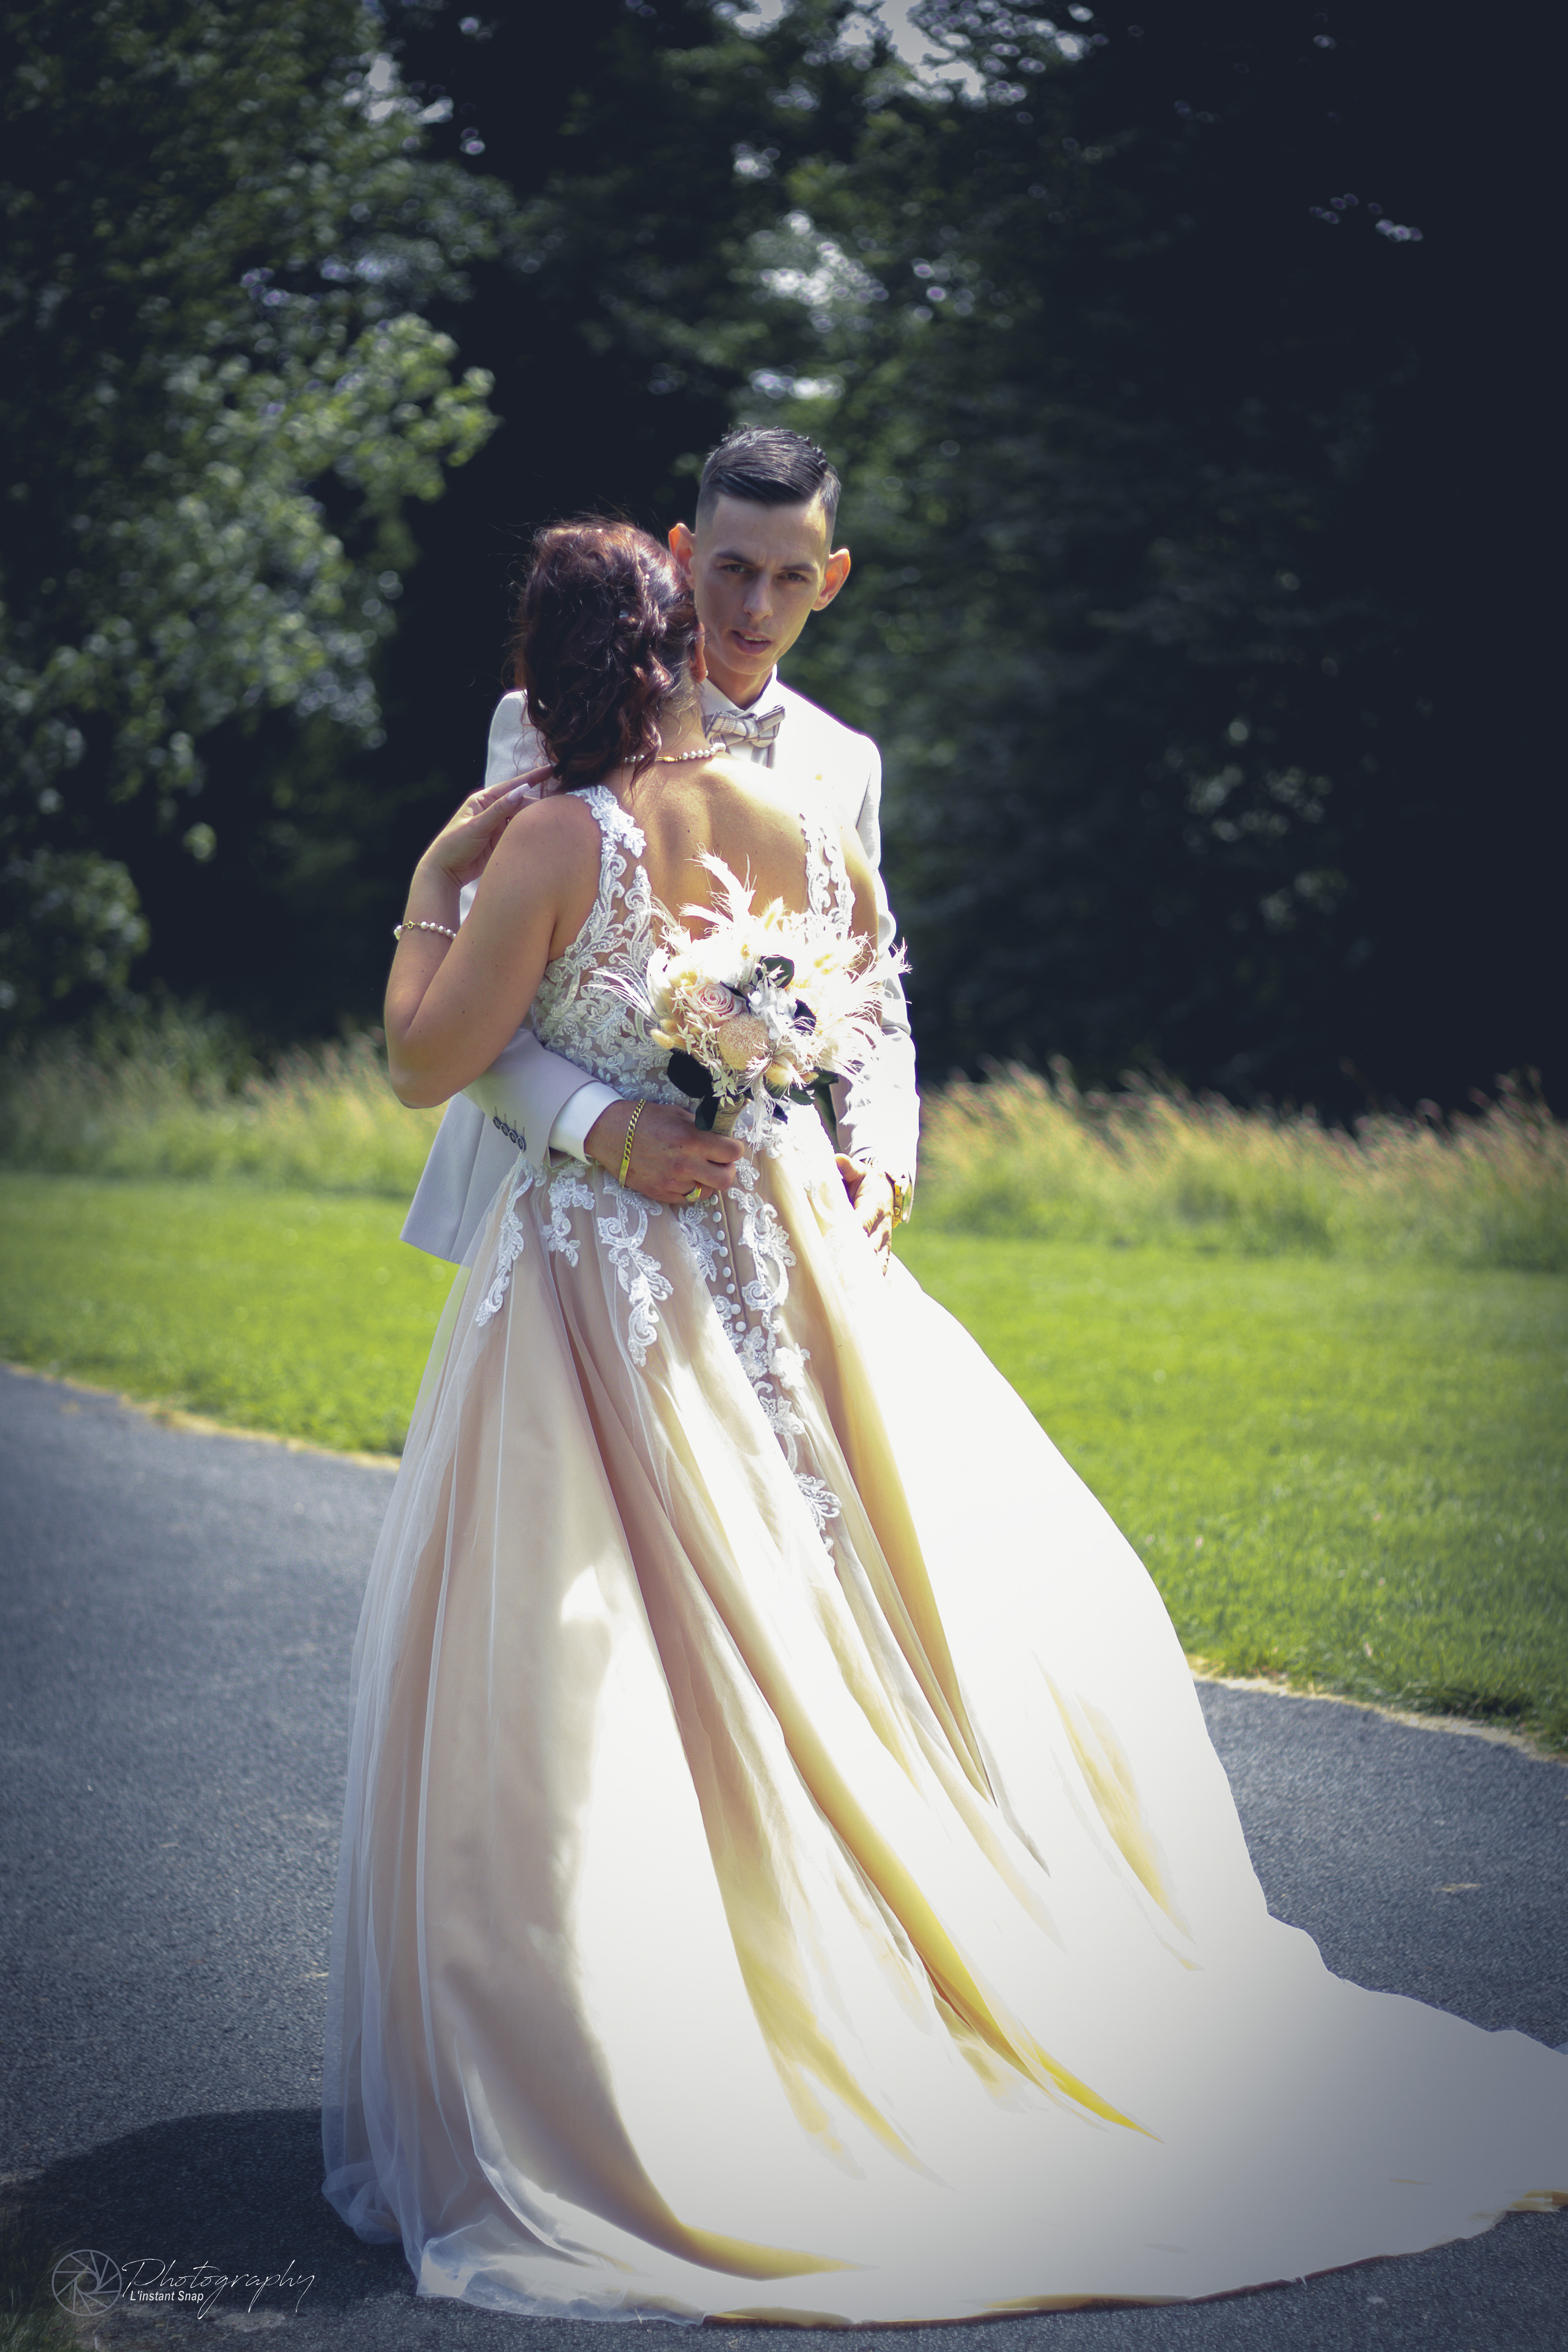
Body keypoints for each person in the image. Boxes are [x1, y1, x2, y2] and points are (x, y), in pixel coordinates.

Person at [323, 520, 1566, 2325]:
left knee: (612, 1653)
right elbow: (855, 1002)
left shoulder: (537, 838)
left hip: (603, 1281)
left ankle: (684, 2013)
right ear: (678, 640)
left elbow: (424, 1058)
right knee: (833, 1594)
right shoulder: (793, 822)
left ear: (545, 668)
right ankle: (881, 1957)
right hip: (781, 1255)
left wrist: (433, 882)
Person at [400, 428, 916, 1276]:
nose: (757, 608)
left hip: (763, 1214)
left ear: (831, 581)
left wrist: (884, 1160)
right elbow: (483, 986)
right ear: (684, 553)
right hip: (562, 1200)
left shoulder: (847, 761)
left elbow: (874, 1001)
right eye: (734, 569)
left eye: (791, 578)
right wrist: (598, 1125)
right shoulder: (546, 722)